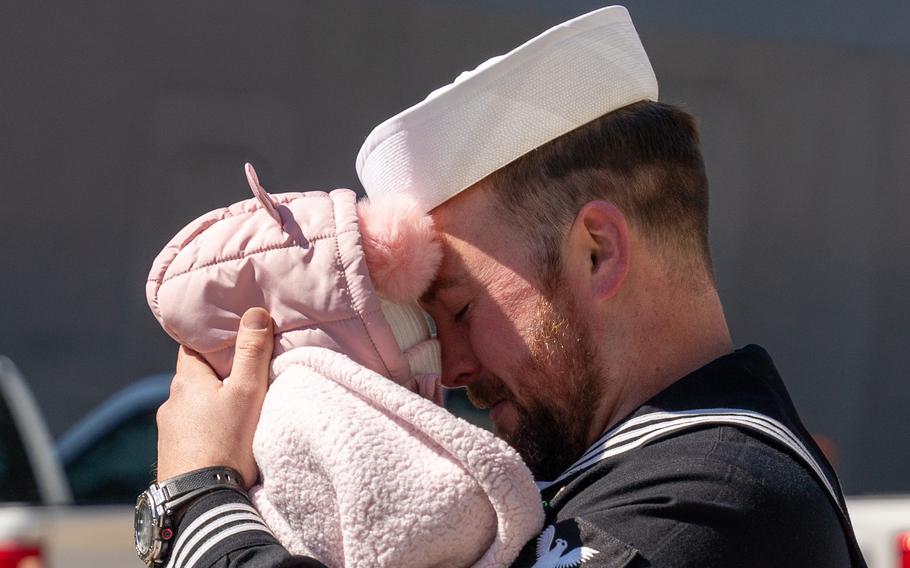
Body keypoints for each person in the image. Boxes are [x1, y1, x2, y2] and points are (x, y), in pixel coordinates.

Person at [150, 6, 867, 567]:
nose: (454, 368)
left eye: (461, 307)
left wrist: (200, 505)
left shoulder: (721, 499)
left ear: (599, 251)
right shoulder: (650, 476)